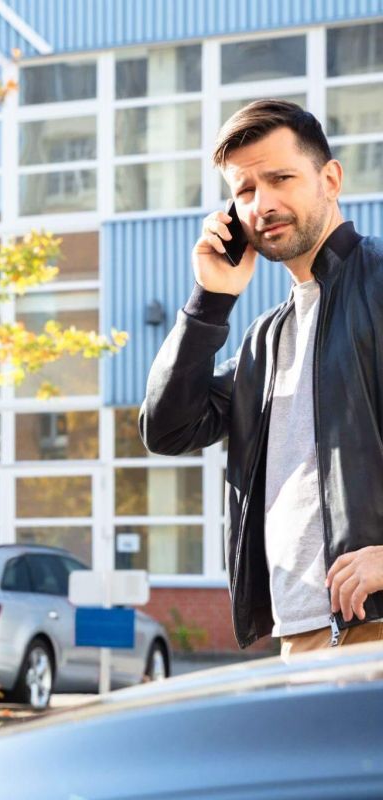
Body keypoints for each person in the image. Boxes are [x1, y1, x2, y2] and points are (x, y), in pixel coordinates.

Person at [140, 100, 383, 658]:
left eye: (280, 178)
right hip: (299, 636)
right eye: (244, 190)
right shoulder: (265, 342)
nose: (262, 203)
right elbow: (168, 428)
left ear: (331, 178)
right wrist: (209, 301)